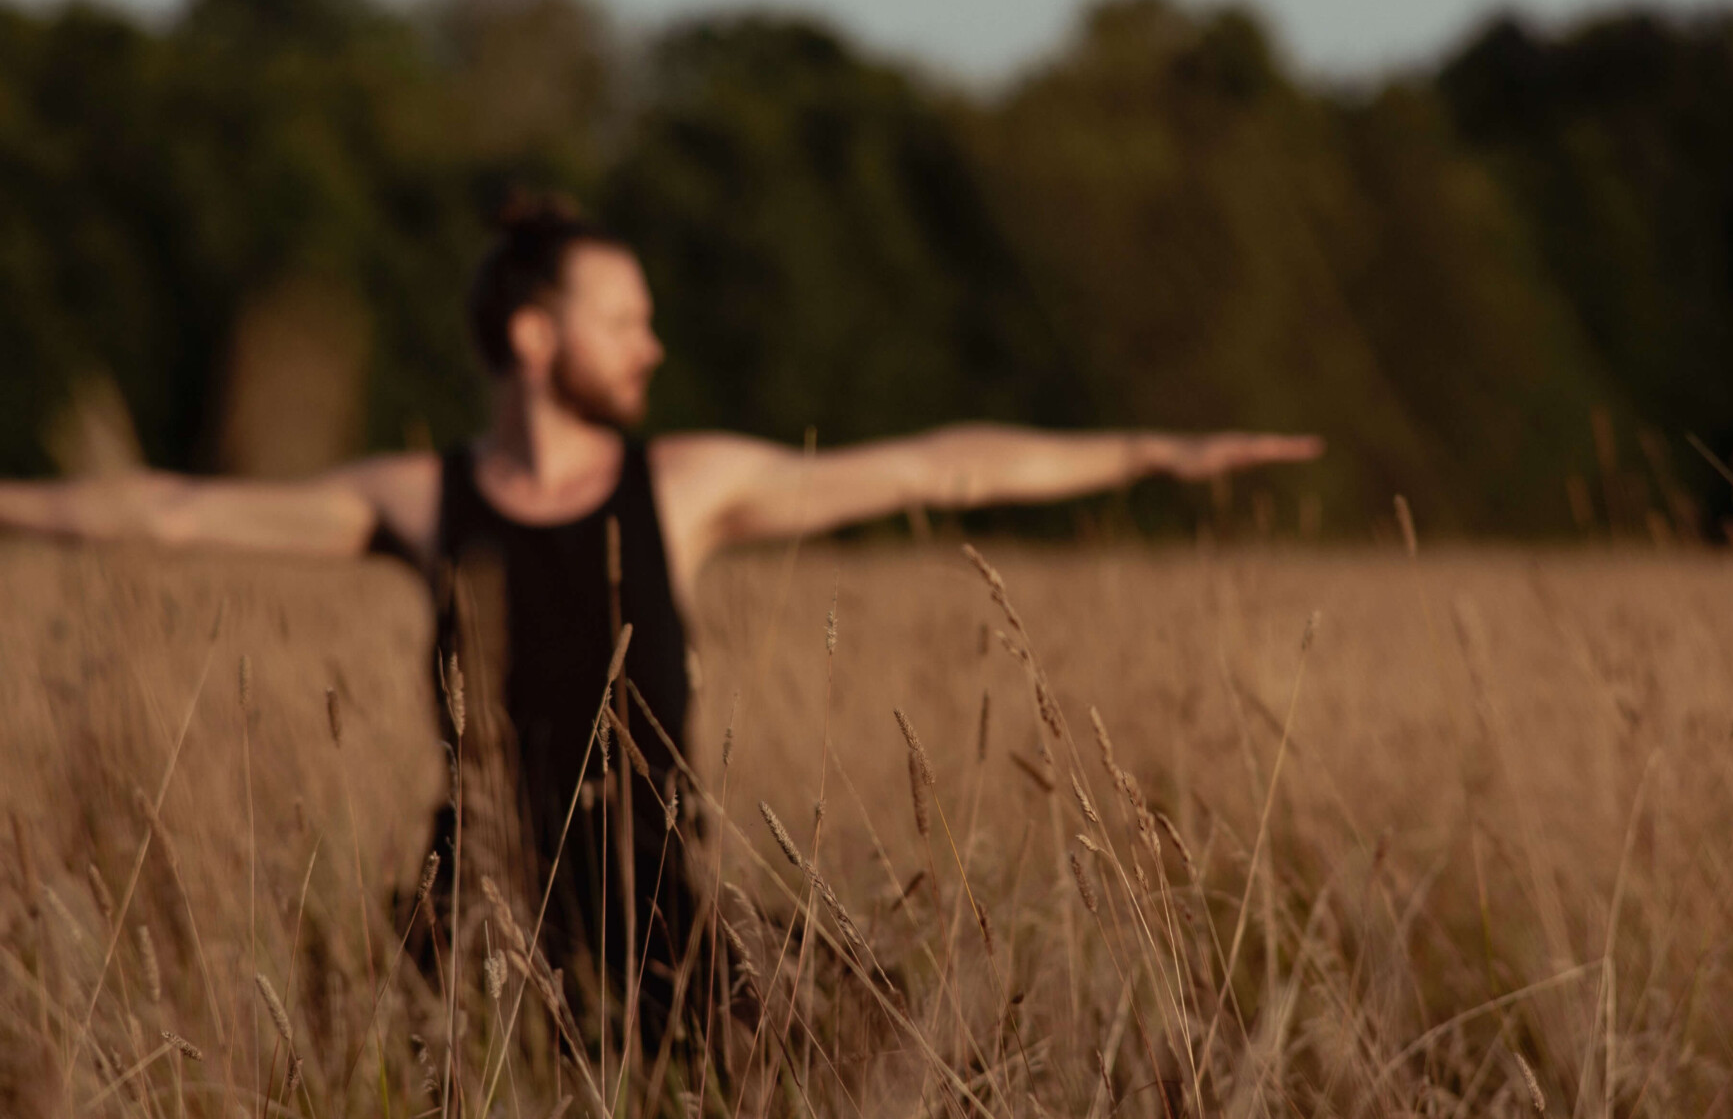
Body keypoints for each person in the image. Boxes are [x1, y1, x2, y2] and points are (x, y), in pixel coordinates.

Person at [0, 197, 1323, 1041]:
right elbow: (170, 513)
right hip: (474, 931)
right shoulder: (421, 500)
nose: (651, 346)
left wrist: (1154, 450)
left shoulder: (685, 489)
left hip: (663, 933)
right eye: (622, 320)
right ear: (532, 336)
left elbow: (935, 465)